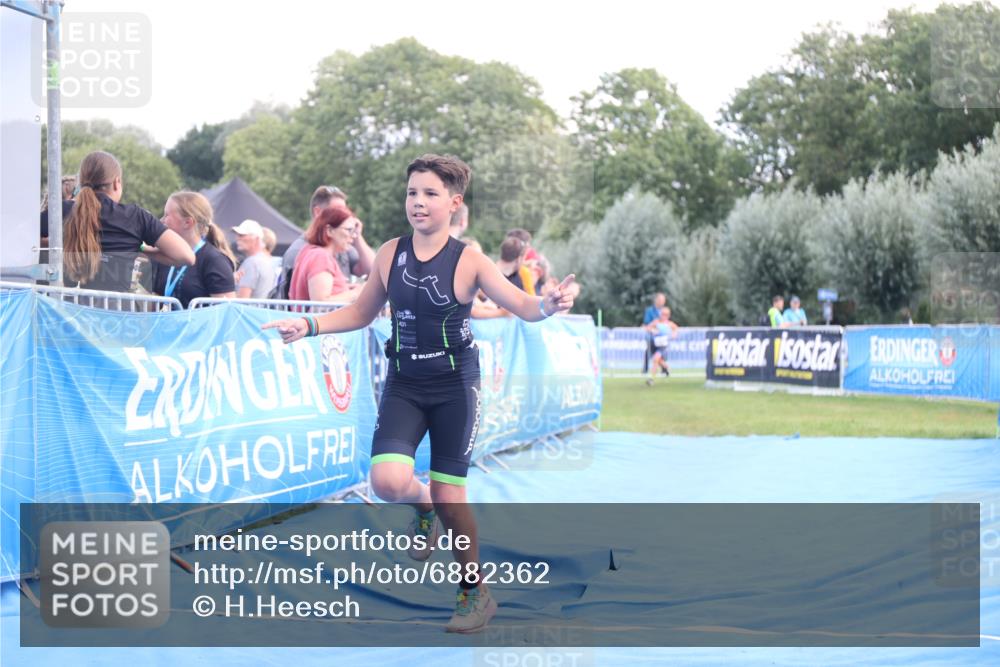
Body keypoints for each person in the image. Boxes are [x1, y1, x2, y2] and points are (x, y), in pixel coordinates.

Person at [263, 154, 576, 634]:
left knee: (453, 495)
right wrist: (308, 324)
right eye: (412, 193)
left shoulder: (470, 258)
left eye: (430, 194)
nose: (418, 202)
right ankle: (421, 504)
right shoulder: (390, 253)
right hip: (405, 384)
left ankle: (475, 592)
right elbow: (361, 312)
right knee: (388, 483)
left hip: (455, 387)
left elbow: (523, 307)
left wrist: (549, 303)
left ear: (454, 203)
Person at [45, 151, 195, 292]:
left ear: (81, 182)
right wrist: (142, 249)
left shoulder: (62, 210)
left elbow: (24, 238)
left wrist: (56, 243)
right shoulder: (136, 217)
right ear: (117, 183)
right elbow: (186, 256)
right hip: (115, 315)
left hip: (69, 313)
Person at [150, 191, 236, 308]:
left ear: (187, 222)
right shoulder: (166, 254)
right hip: (168, 326)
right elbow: (158, 298)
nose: (161, 220)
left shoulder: (215, 261)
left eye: (166, 215)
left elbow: (225, 313)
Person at [288, 204, 363, 304]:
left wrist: (346, 290)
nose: (354, 236)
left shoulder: (309, 251)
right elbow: (321, 302)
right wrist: (357, 293)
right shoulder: (320, 257)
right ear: (329, 231)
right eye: (349, 230)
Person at [232, 219, 277, 299]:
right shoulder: (266, 260)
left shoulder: (252, 263)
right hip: (262, 310)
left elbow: (242, 300)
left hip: (248, 310)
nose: (237, 238)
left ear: (256, 238)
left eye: (242, 235)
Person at [644, 306, 679, 385]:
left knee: (656, 359)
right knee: (658, 360)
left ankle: (651, 379)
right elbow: (647, 328)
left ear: (668, 315)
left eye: (665, 314)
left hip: (662, 346)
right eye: (662, 314)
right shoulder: (656, 322)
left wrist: (674, 335)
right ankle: (667, 368)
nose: (663, 316)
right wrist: (653, 330)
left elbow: (676, 330)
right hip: (654, 344)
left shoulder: (670, 324)